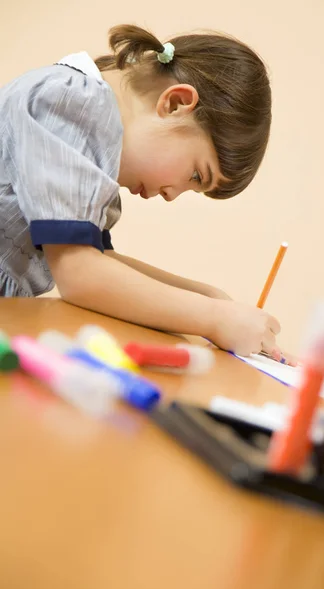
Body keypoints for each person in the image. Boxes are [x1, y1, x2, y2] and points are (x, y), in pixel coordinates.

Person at [0, 23, 286, 358]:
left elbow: (96, 260)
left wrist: (214, 299)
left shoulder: (88, 123)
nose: (172, 195)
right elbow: (80, 272)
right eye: (196, 174)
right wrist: (214, 319)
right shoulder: (74, 101)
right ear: (176, 102)